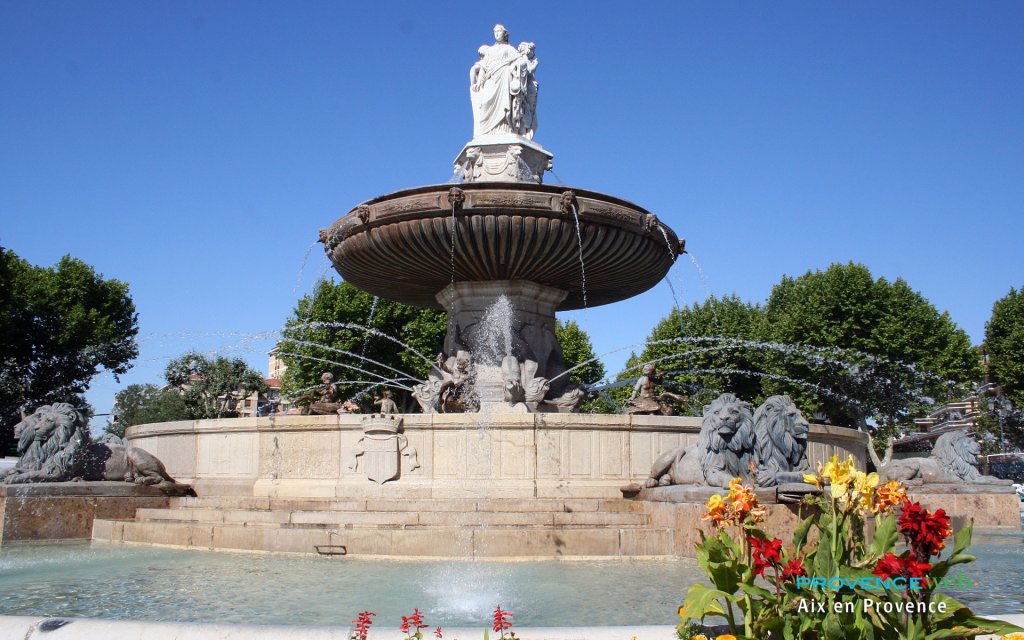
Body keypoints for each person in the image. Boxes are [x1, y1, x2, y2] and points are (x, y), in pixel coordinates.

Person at [469, 24, 521, 137]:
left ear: (504, 34)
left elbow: (519, 61)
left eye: (499, 31)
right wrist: (478, 83)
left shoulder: (510, 49)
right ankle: (486, 130)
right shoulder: (490, 51)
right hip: (491, 78)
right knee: (486, 103)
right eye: (495, 32)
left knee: (504, 103)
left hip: (504, 76)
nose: (497, 34)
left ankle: (505, 127)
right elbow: (484, 67)